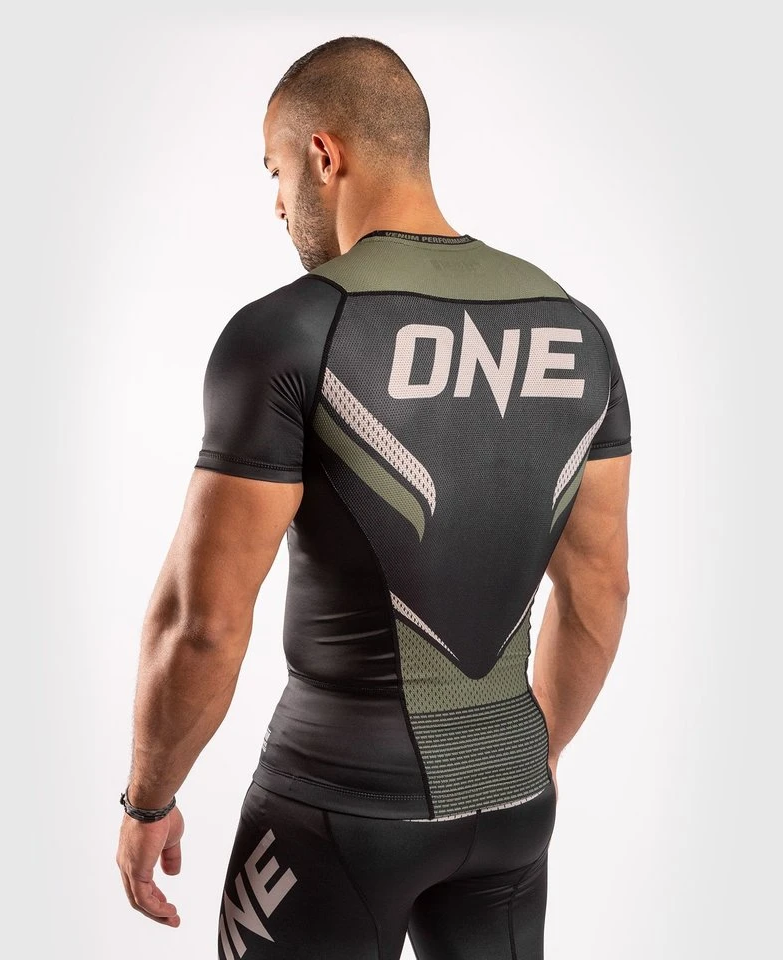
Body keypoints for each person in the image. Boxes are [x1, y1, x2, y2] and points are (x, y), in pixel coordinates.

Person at [115, 35, 632, 960]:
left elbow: (202, 623)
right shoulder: (577, 331)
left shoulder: (291, 332)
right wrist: (525, 755)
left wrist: (148, 799)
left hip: (336, 809)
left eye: (276, 172)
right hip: (512, 808)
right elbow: (601, 590)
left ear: (324, 154)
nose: (278, 204)